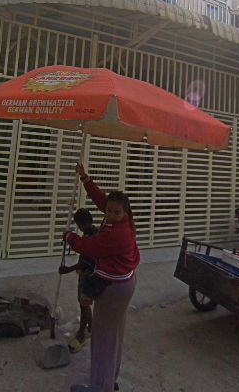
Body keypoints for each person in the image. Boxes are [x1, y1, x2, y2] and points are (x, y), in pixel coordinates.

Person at [63, 163, 140, 392]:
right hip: (123, 283)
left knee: (103, 338)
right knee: (113, 335)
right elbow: (100, 199)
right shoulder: (119, 221)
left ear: (125, 213)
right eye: (109, 211)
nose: (111, 214)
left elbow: (89, 247)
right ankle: (108, 380)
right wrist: (85, 178)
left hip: (114, 288)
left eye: (116, 212)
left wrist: (69, 237)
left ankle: (99, 386)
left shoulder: (117, 234)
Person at [59, 207, 98, 353]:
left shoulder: (90, 237)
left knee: (83, 304)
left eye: (79, 225)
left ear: (82, 224)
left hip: (88, 276)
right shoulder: (93, 232)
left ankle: (81, 335)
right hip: (90, 275)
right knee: (85, 304)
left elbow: (86, 262)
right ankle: (91, 328)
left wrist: (68, 269)